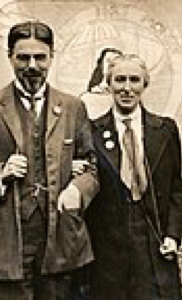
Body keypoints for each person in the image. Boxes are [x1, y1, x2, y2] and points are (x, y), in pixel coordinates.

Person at [0, 21, 99, 300]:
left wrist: (77, 190)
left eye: (40, 57)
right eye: (23, 57)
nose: (32, 65)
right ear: (10, 57)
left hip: (60, 239)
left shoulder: (71, 107)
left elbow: (90, 166)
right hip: (7, 240)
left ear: (51, 57)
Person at [84, 54, 182, 300]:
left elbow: (177, 189)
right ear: (109, 84)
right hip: (109, 252)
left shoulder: (165, 130)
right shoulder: (91, 133)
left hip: (155, 244)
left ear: (144, 85)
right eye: (120, 80)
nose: (127, 88)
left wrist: (173, 235)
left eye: (134, 80)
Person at [80, 47, 122, 120]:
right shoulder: (87, 98)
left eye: (116, 61)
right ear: (102, 65)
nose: (112, 64)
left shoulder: (127, 98)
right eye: (108, 61)